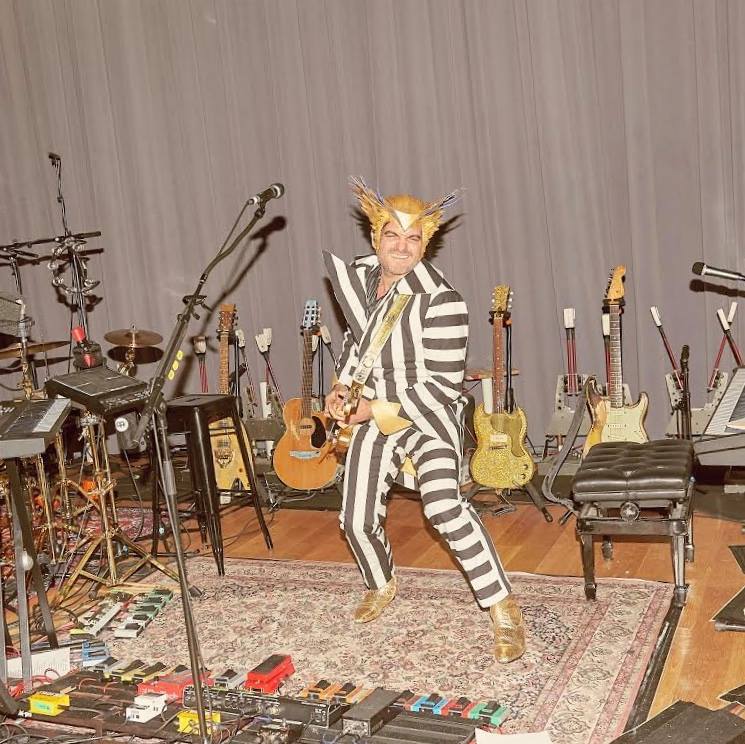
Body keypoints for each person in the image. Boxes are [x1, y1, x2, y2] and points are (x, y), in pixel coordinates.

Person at [322, 177, 526, 663]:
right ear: (376, 237)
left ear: (425, 243)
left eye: (412, 239)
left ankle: (503, 606)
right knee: (353, 518)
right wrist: (341, 387)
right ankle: (381, 581)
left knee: (443, 507)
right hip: (371, 412)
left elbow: (442, 385)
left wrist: (373, 408)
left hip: (426, 415)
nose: (401, 246)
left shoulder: (443, 300)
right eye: (392, 235)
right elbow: (355, 344)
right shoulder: (360, 279)